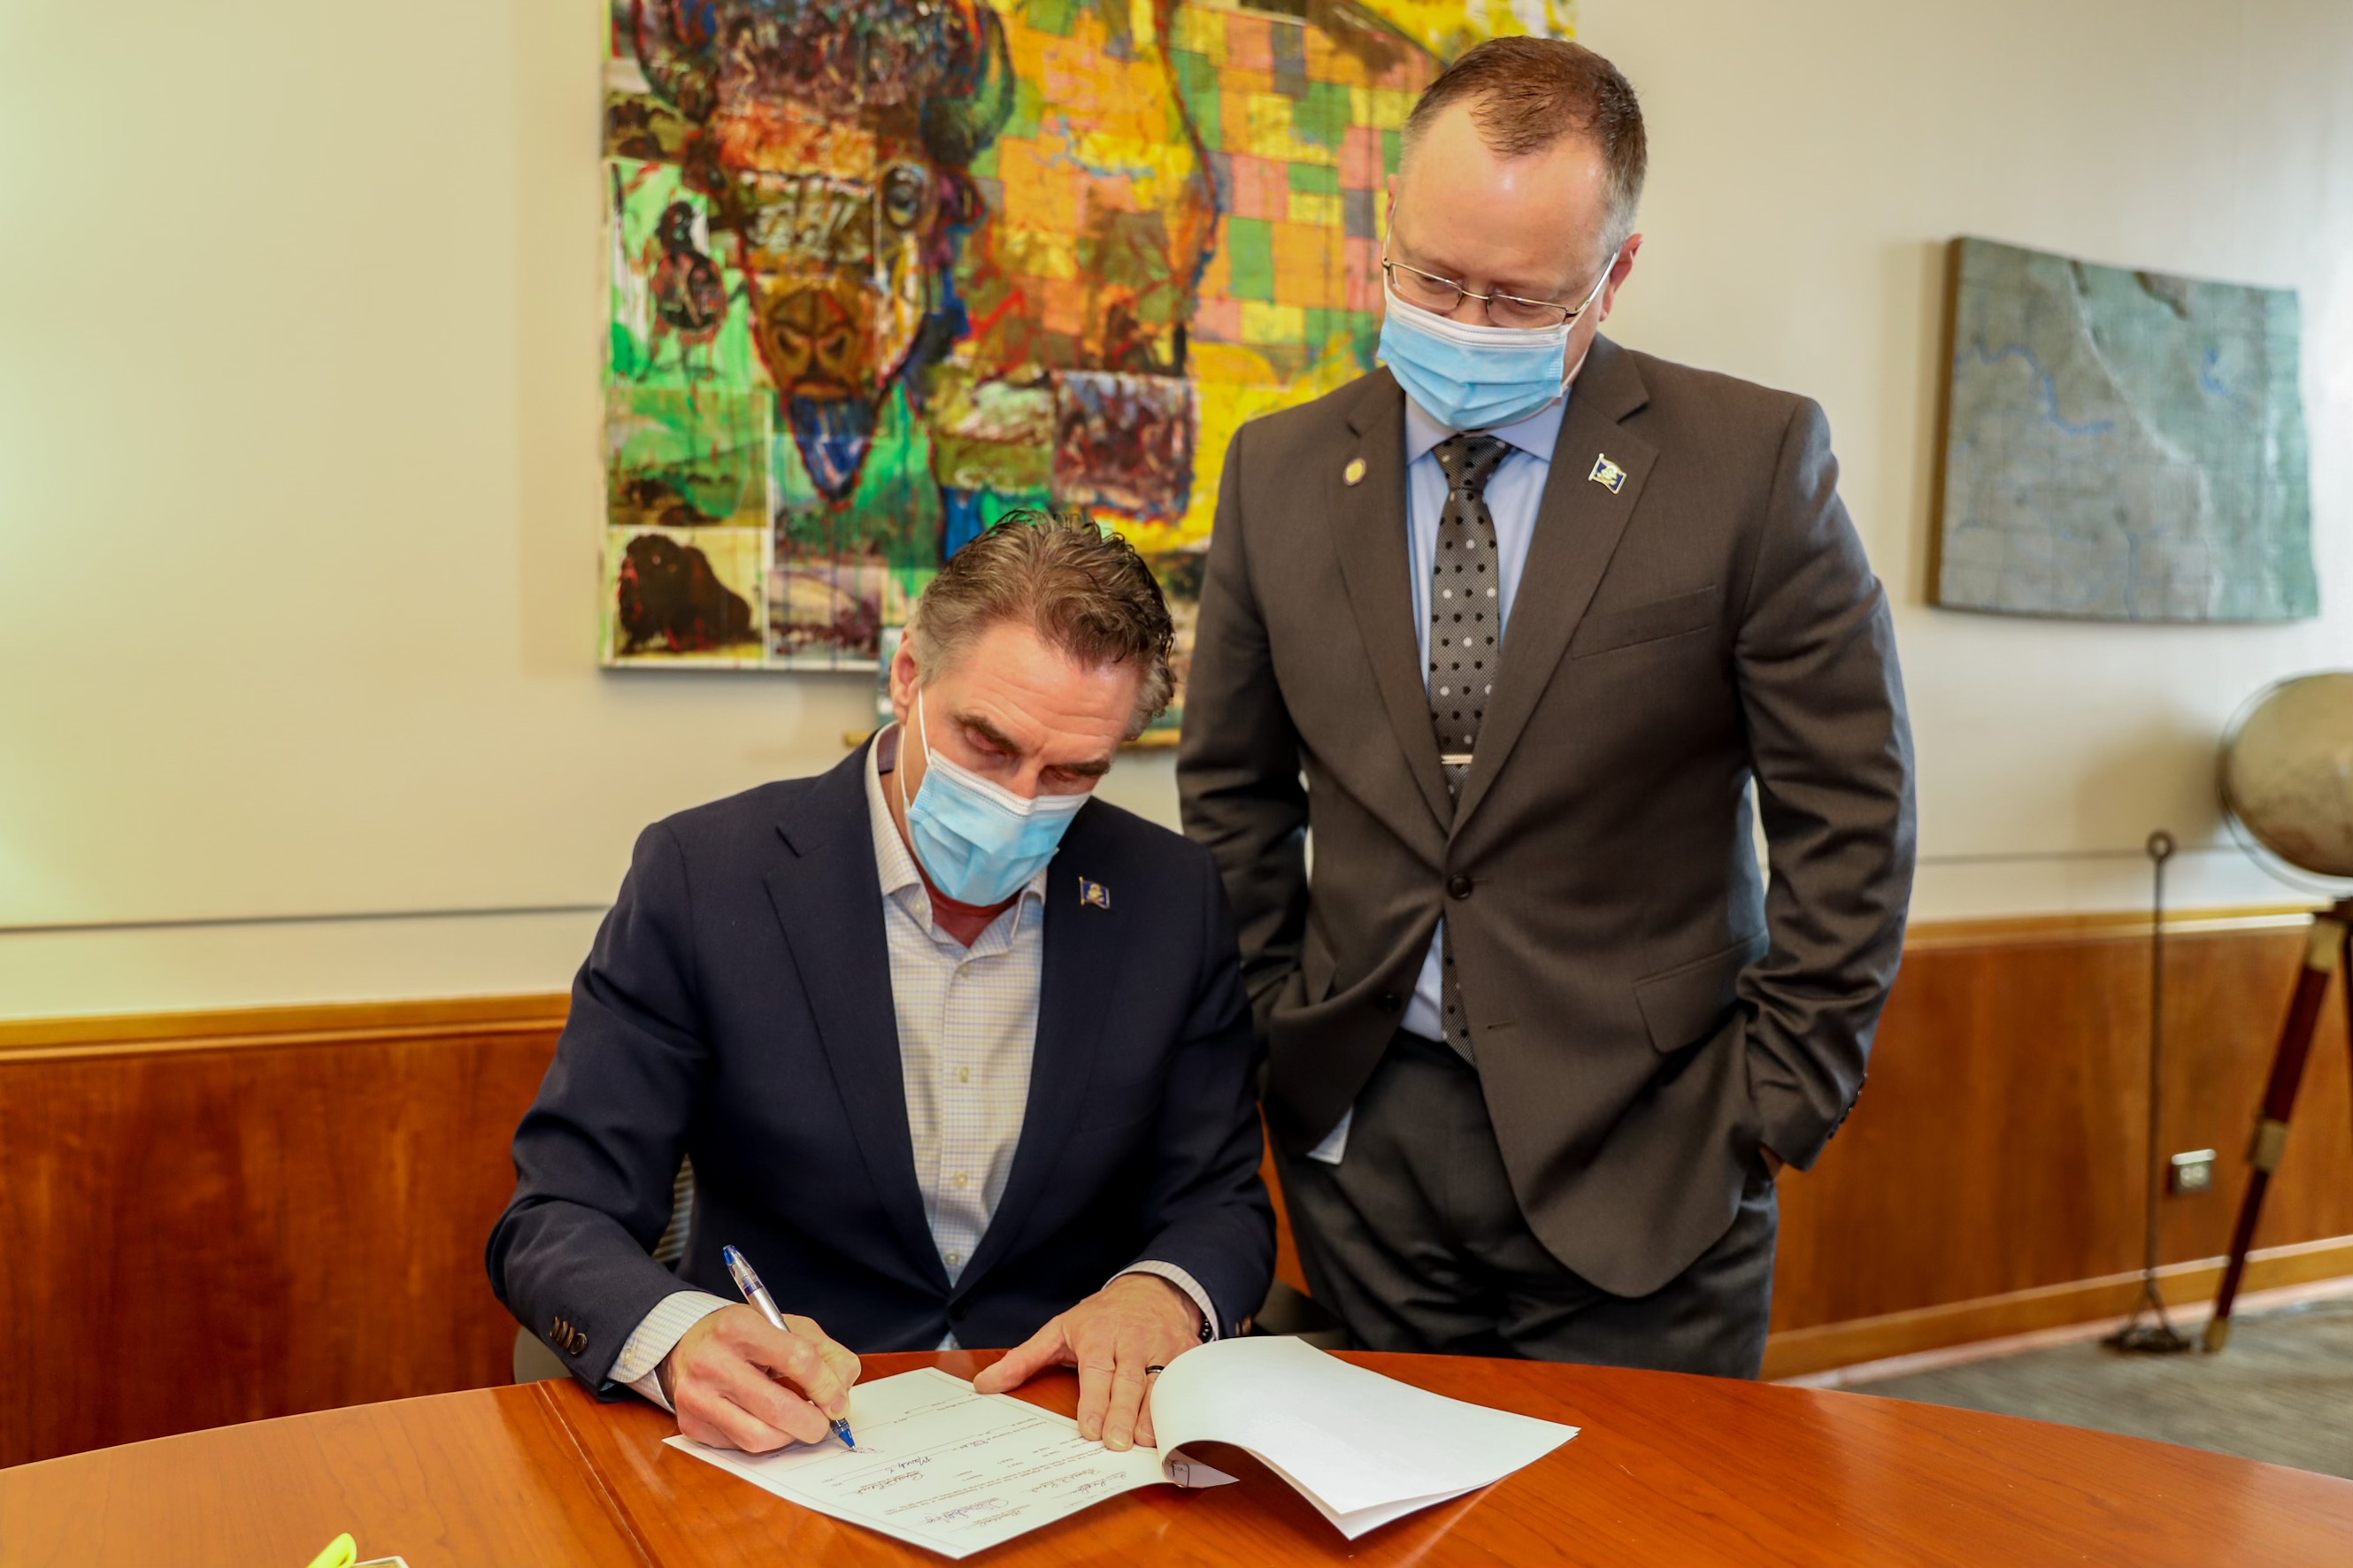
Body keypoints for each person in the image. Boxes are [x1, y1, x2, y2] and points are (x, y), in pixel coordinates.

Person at [1178, 37, 1915, 1378]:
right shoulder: (1275, 470)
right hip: (1362, 1146)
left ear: (1614, 272)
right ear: (1384, 228)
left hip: (1652, 1149)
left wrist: (1775, 1099)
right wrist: (1275, 1027)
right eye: (1432, 278)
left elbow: (1849, 815)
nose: (1462, 326)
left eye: (1519, 302)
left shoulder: (1749, 466)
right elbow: (1231, 791)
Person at [491, 513, 1273, 1453]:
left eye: (1072, 770)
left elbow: (1219, 1197)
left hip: (1066, 1428)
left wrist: (1160, 1291)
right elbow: (557, 1211)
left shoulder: (1168, 895)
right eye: (986, 742)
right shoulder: (705, 876)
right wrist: (678, 1335)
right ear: (907, 677)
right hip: (798, 1427)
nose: (1020, 802)